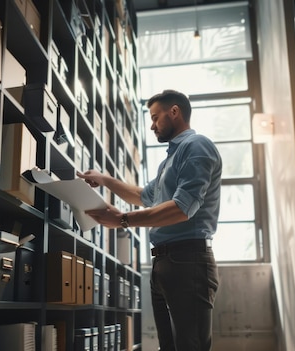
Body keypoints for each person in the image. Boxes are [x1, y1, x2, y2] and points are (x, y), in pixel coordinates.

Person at [77, 89, 221, 350]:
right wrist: (104, 180)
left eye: (155, 118)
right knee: (169, 346)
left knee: (191, 346)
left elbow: (181, 208)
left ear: (174, 112)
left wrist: (122, 220)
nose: (152, 126)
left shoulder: (196, 146)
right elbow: (142, 195)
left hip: (188, 261)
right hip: (164, 262)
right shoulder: (169, 161)